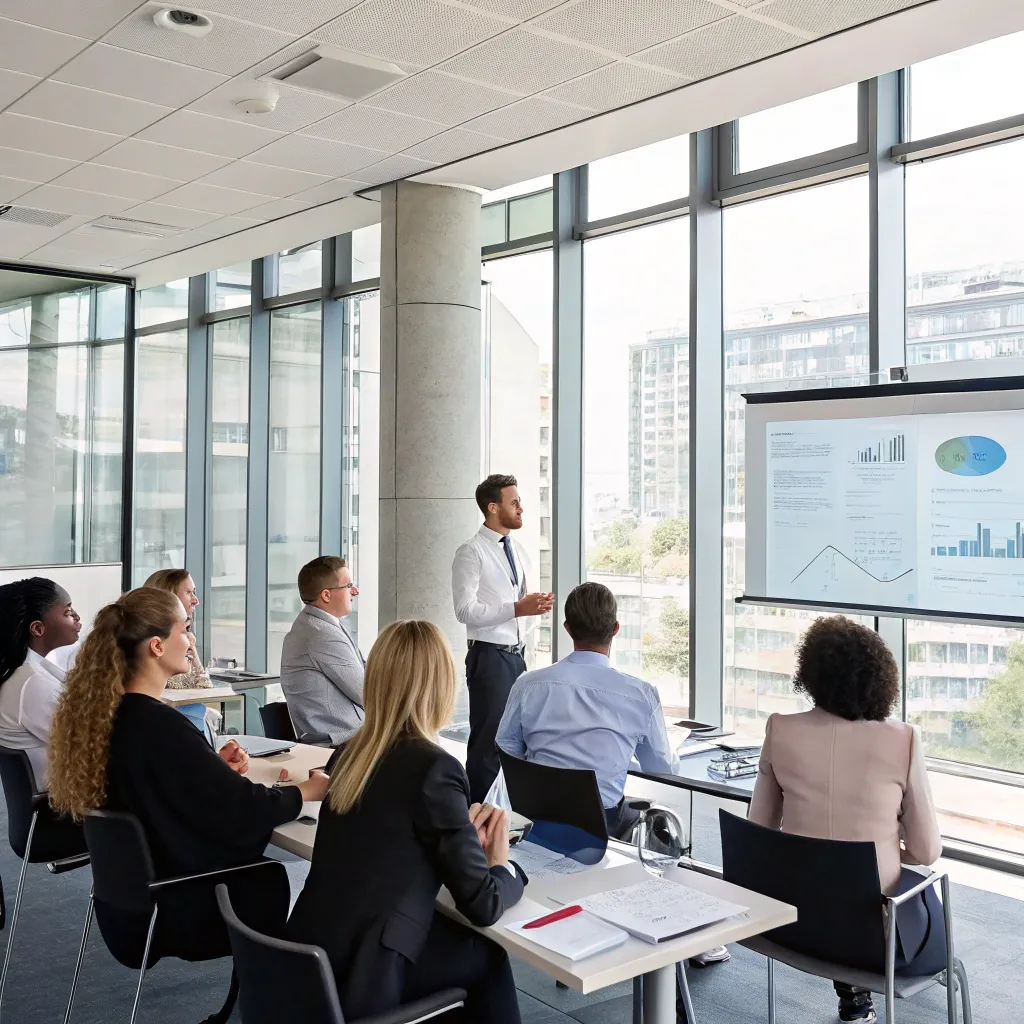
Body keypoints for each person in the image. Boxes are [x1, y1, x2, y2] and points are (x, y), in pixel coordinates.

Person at [48, 587, 330, 966]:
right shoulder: (160, 726)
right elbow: (242, 809)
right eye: (185, 629)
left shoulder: (108, 717)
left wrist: (210, 768)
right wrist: (307, 790)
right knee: (278, 878)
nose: (191, 640)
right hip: (182, 901)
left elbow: (162, 785)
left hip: (131, 903)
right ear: (156, 646)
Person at [288, 619, 525, 1024]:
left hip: (310, 957)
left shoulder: (347, 755)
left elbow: (392, 841)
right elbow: (484, 905)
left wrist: (459, 833)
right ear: (441, 686)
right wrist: (502, 864)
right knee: (487, 956)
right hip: (370, 972)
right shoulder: (435, 769)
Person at [749, 616, 944, 1024]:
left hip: (791, 924)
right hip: (877, 940)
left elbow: (759, 833)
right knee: (903, 893)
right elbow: (927, 851)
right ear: (880, 676)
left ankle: (854, 997)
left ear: (811, 674)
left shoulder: (780, 729)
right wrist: (884, 850)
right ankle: (857, 993)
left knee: (832, 880)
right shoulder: (903, 739)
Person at [496, 581, 678, 838]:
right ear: (615, 629)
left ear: (568, 629)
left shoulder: (527, 685)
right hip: (601, 825)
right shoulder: (642, 695)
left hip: (537, 819)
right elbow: (660, 769)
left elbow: (506, 748)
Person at [452, 474, 554, 802]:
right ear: (493, 508)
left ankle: (505, 814)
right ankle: (475, 820)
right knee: (487, 744)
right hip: (489, 657)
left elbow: (517, 605)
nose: (521, 508)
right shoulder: (471, 552)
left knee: (516, 739)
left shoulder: (518, 549)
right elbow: (464, 610)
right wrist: (515, 608)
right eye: (514, 502)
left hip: (517, 655)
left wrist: (530, 609)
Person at [0, 577, 82, 787]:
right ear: (37, 629)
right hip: (59, 809)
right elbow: (90, 745)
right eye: (68, 612)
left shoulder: (24, 670)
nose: (77, 617)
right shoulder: (31, 683)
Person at [279, 556, 365, 745]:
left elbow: (366, 672)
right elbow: (369, 695)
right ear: (326, 595)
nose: (355, 591)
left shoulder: (322, 625)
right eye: (348, 585)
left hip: (350, 739)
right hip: (340, 744)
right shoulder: (320, 634)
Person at [144, 569, 217, 740]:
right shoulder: (145, 642)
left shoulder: (187, 638)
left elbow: (203, 685)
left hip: (191, 729)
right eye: (189, 592)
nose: (196, 601)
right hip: (164, 732)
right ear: (170, 597)